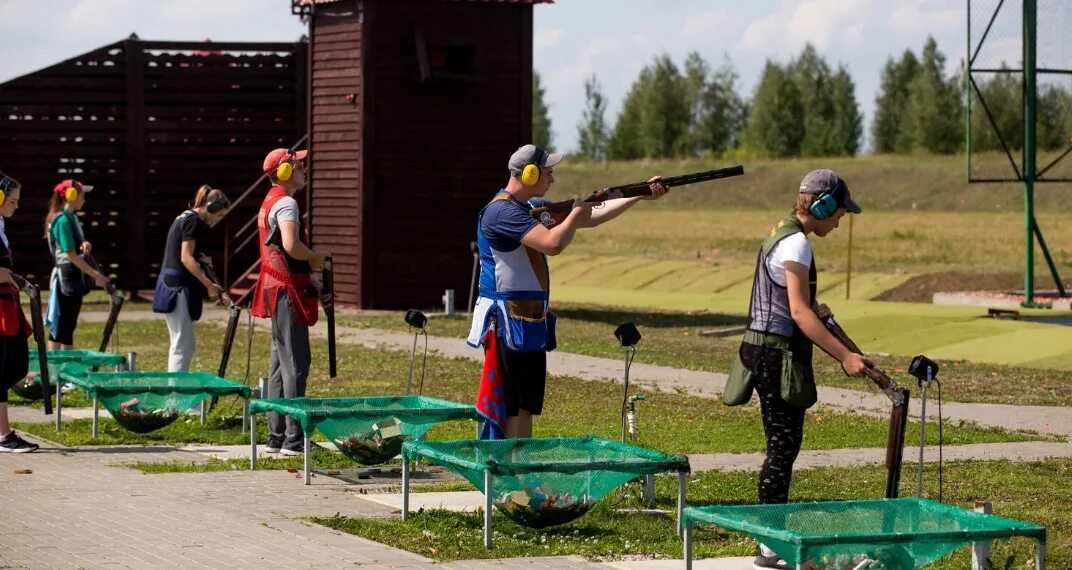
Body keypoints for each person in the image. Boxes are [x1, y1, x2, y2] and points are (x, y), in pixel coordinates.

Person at [467, 144, 668, 439]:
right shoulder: (502, 212)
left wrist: (637, 195)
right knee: (510, 406)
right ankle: (509, 478)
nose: (552, 179)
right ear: (530, 173)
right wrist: (574, 213)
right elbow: (553, 243)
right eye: (548, 173)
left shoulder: (529, 207)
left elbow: (591, 216)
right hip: (506, 323)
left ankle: (521, 479)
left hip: (527, 321)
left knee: (526, 405)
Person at [722, 169, 869, 570]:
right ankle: (770, 545)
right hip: (776, 355)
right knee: (782, 450)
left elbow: (795, 303)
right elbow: (800, 315)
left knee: (780, 448)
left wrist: (813, 311)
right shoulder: (797, 244)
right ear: (822, 206)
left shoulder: (783, 233)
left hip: (764, 350)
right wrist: (845, 356)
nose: (840, 220)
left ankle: (769, 542)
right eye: (839, 211)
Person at [250, 148, 330, 456]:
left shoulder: (270, 201)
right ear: (283, 173)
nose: (304, 169)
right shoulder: (287, 203)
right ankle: (295, 440)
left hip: (277, 286)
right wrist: (316, 258)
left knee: (278, 363)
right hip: (286, 291)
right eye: (298, 165)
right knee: (296, 363)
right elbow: (291, 245)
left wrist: (308, 276)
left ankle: (276, 436)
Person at [152, 185, 231, 372]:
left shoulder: (185, 217)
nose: (217, 221)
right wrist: (209, 285)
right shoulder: (193, 221)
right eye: (218, 215)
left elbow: (190, 253)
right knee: (182, 344)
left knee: (183, 342)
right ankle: (177, 396)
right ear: (210, 207)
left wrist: (200, 257)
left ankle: (177, 393)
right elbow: (186, 257)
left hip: (173, 284)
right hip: (176, 287)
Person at [43, 179, 109, 350]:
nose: (84, 200)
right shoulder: (62, 221)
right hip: (66, 277)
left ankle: (64, 370)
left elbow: (74, 247)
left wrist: (84, 244)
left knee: (68, 326)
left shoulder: (71, 218)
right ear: (71, 196)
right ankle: (55, 372)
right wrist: (95, 275)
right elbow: (70, 255)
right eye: (82, 196)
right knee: (60, 327)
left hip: (74, 276)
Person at [0, 171, 39, 452]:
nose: (16, 206)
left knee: (15, 366)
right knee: (2, 370)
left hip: (6, 305)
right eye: (12, 200)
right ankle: (4, 434)